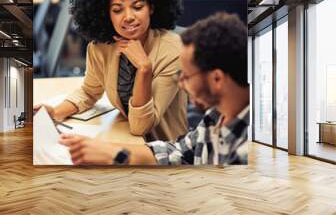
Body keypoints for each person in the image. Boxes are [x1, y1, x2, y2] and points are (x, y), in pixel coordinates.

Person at [59, 12, 250, 166]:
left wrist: (144, 68)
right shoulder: (215, 118)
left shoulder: (244, 152)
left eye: (186, 76)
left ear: (217, 79)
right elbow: (180, 152)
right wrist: (109, 151)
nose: (182, 84)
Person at [34, 0, 188, 141]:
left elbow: (141, 127)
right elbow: (88, 92)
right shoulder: (100, 48)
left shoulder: (173, 50)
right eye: (117, 10)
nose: (128, 17)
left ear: (151, 7)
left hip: (164, 150)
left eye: (138, 6)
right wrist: (55, 112)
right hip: (124, 137)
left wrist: (144, 68)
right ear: (106, 13)